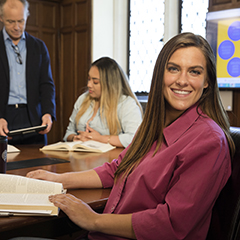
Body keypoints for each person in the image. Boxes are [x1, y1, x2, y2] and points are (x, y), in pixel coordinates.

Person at [27, 32, 235, 240]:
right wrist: (58, 179)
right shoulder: (153, 124)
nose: (182, 81)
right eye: (173, 69)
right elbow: (116, 169)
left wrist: (92, 220)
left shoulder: (209, 140)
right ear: (160, 73)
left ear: (207, 81)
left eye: (194, 72)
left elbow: (172, 224)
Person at [0, 0, 56, 145]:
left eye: (21, 21)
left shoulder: (39, 47)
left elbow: (46, 84)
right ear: (1, 18)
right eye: (11, 21)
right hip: (4, 119)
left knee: (38, 165)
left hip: (33, 119)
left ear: (27, 16)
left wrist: (48, 113)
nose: (17, 27)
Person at [63, 57, 143, 148]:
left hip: (112, 159)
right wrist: (76, 138)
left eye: (95, 82)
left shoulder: (126, 104)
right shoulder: (82, 99)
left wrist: (101, 138)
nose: (89, 85)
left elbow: (135, 138)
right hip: (81, 158)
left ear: (109, 84)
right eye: (89, 79)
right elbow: (68, 133)